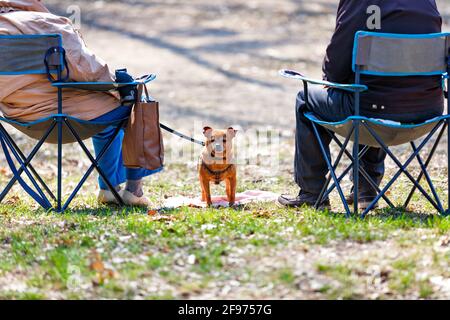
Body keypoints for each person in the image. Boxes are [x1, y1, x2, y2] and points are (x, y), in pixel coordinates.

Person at [278, 0, 444, 209]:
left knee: (309, 99)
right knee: (372, 91)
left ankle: (312, 193)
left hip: (372, 109)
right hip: (428, 111)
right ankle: (365, 190)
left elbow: (336, 66)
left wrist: (334, 79)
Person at [0, 0, 162, 206]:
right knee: (134, 102)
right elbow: (87, 68)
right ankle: (132, 190)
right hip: (62, 116)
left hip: (18, 117)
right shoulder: (43, 22)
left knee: (107, 111)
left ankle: (110, 189)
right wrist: (118, 85)